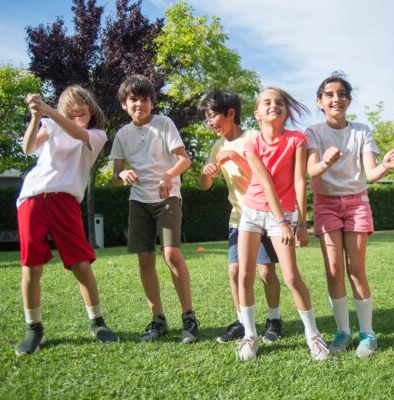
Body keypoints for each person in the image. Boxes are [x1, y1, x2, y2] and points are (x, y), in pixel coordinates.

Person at [15, 85, 118, 355]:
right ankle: (33, 328)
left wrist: (48, 110)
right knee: (32, 266)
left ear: (91, 107)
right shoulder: (50, 124)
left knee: (81, 264)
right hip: (33, 198)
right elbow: (28, 149)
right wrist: (36, 116)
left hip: (66, 201)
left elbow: (78, 133)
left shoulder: (96, 135)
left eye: (81, 102)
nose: (77, 108)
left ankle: (97, 322)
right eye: (70, 105)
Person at [305, 72, 394, 357]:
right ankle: (343, 332)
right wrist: (325, 161)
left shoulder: (362, 130)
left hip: (357, 204)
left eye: (342, 94)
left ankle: (368, 334)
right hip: (326, 204)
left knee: (356, 270)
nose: (337, 99)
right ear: (320, 101)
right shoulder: (313, 133)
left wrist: (385, 165)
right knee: (334, 271)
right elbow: (311, 172)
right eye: (330, 94)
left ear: (349, 100)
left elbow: (370, 173)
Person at [236, 87, 330, 361]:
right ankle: (250, 335)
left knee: (291, 276)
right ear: (257, 113)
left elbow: (301, 180)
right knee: (245, 274)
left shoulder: (297, 140)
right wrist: (282, 220)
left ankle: (313, 335)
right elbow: (264, 182)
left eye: (279, 102)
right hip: (253, 212)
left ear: (286, 111)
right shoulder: (251, 144)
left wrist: (300, 221)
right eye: (266, 102)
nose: (273, 105)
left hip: (284, 215)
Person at [110, 74, 199, 344]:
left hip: (167, 197)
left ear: (152, 102)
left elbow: (184, 160)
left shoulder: (164, 124)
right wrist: (122, 174)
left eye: (145, 99)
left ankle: (189, 317)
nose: (140, 104)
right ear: (124, 105)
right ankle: (157, 319)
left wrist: (168, 175)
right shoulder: (122, 134)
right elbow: (115, 175)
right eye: (133, 99)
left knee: (171, 253)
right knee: (145, 259)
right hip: (138, 201)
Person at [199, 89, 283, 343]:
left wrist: (236, 157)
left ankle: (274, 319)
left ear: (231, 113)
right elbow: (205, 185)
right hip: (238, 217)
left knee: (265, 271)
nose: (209, 122)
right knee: (235, 272)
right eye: (206, 118)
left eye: (212, 116)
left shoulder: (254, 138)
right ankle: (242, 320)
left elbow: (265, 178)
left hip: (263, 215)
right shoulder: (217, 146)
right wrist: (206, 172)